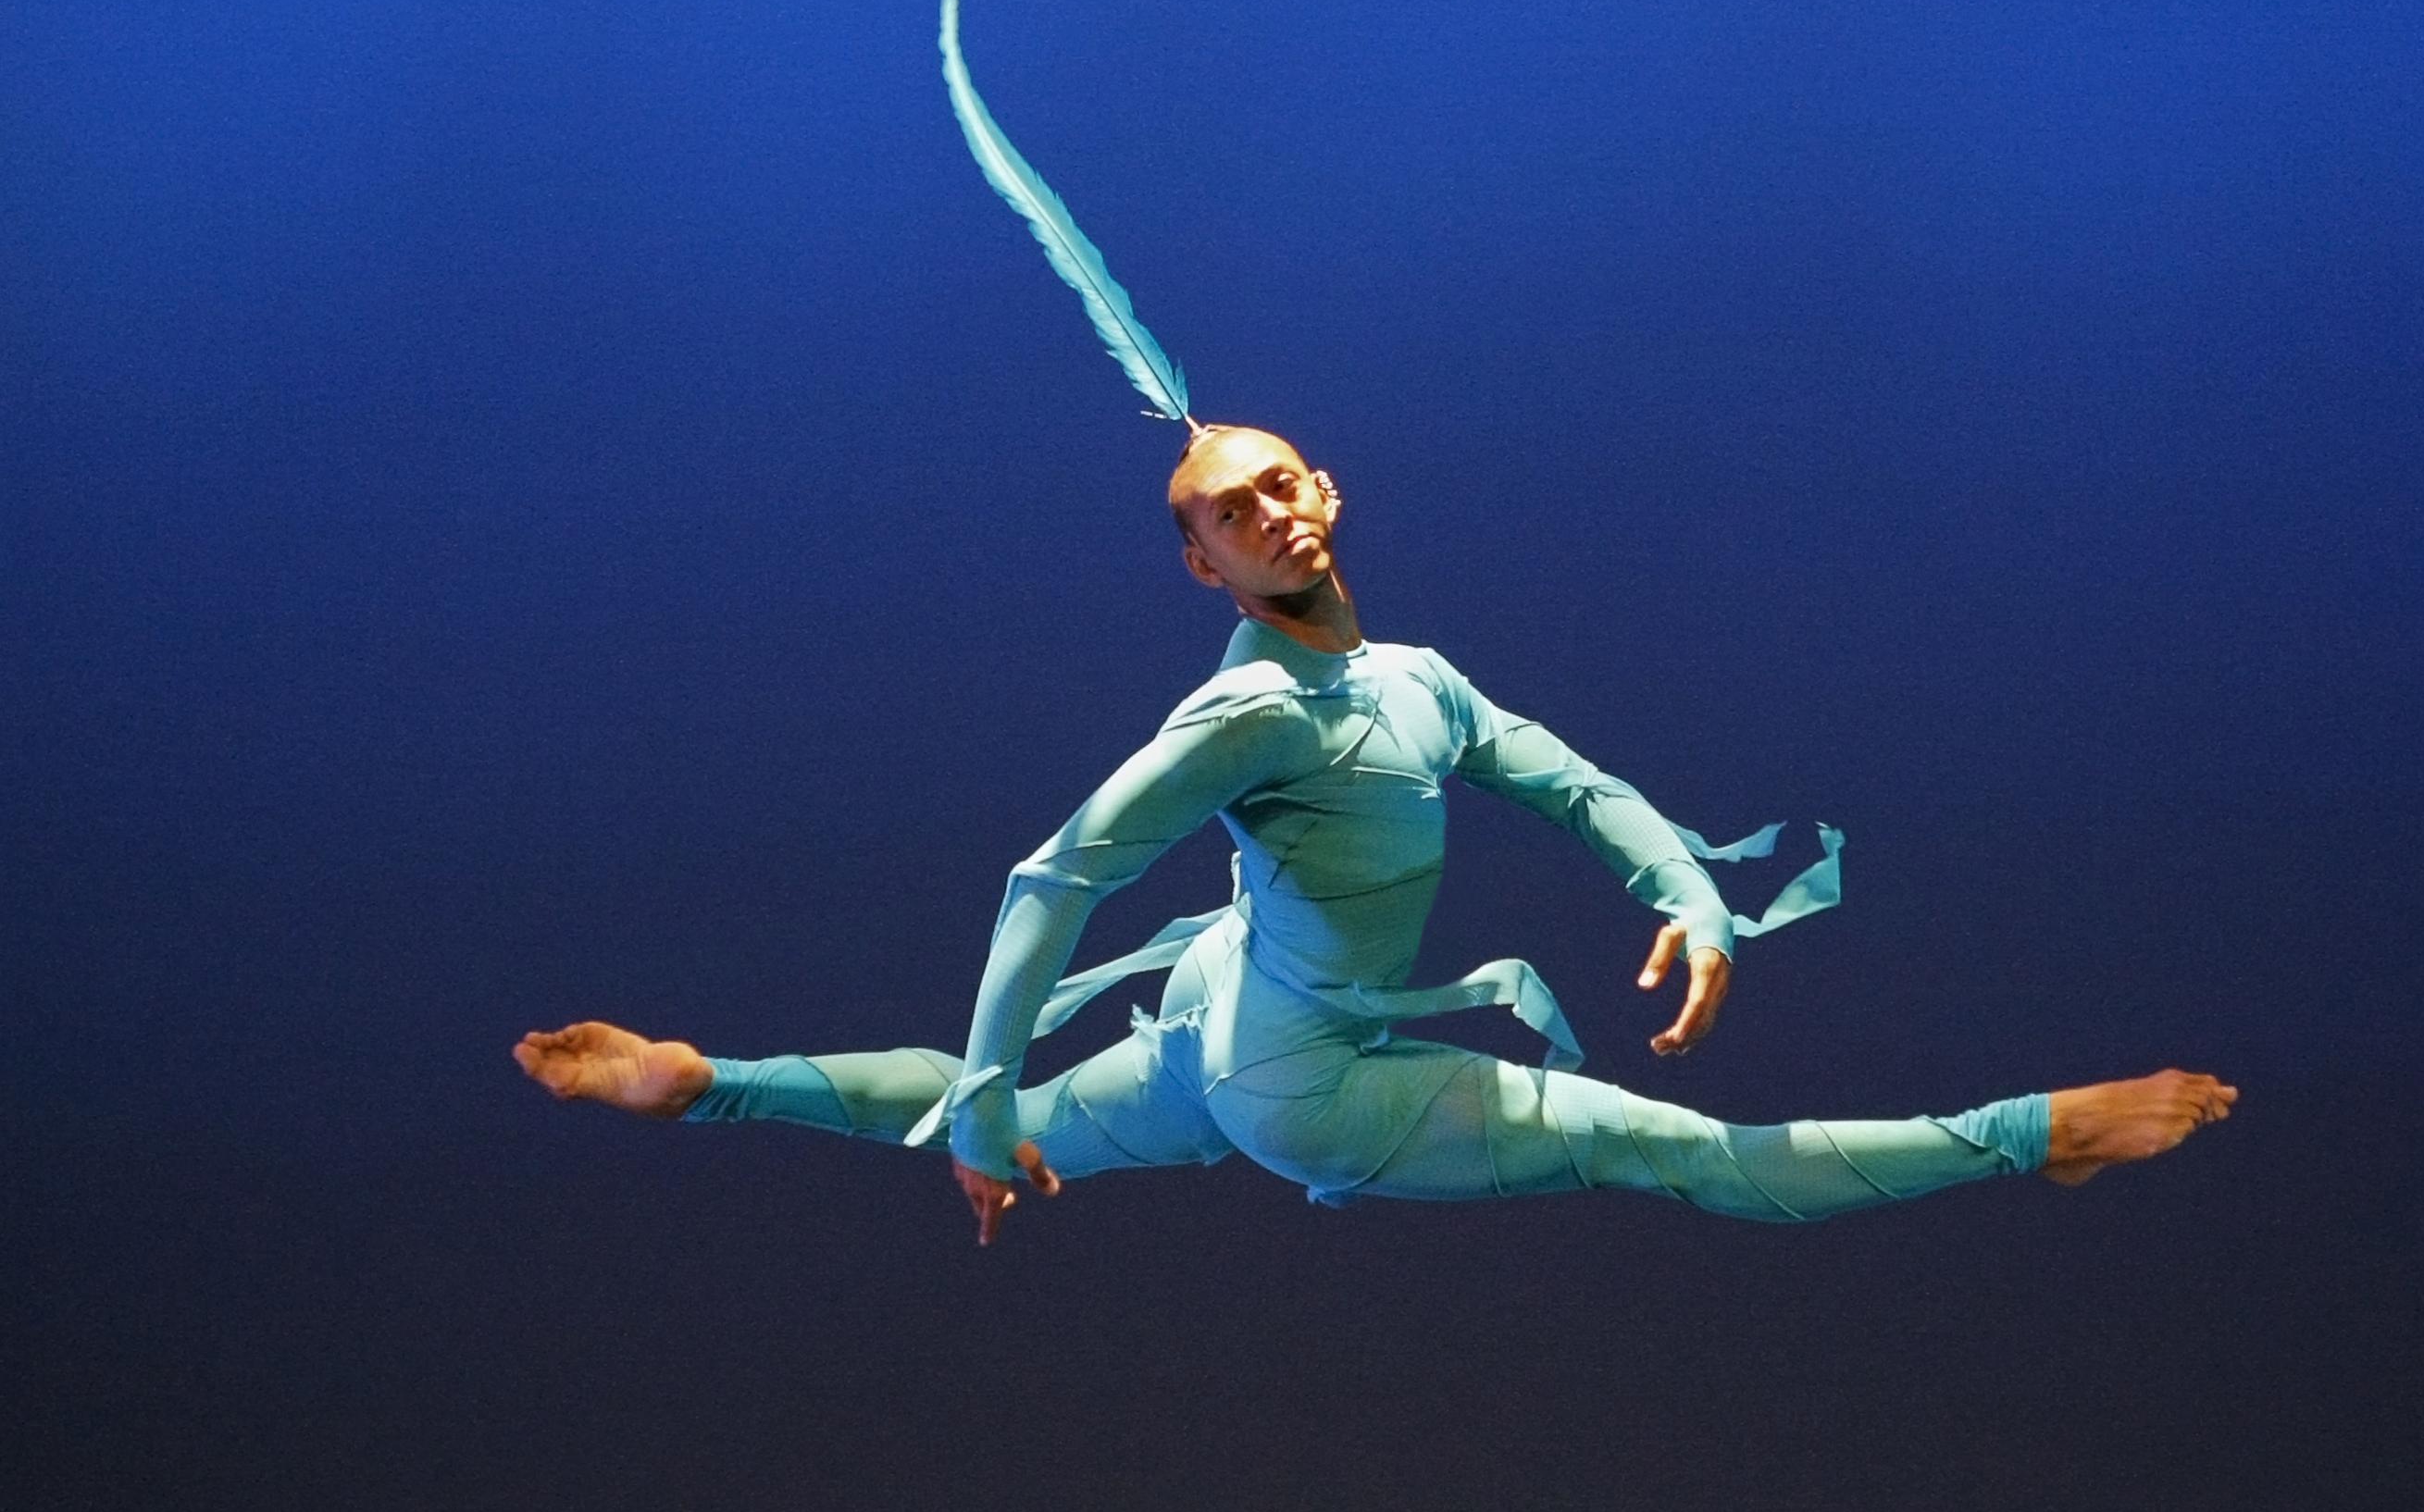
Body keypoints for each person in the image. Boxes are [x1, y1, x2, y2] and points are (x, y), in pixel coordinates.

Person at [516, 427, 2235, 1244]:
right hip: (1295, 1077)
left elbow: (1572, 782)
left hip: (1228, 1030)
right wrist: (971, 1098)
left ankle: (703, 1080)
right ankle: (2029, 1134)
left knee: (1028, 1117)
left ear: (1323, 492)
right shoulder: (1253, 713)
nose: (1263, 515)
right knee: (1673, 1149)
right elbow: (1053, 878)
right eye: (1221, 517)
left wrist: (1688, 891)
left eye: (1275, 486)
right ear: (1204, 569)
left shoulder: (1412, 679)